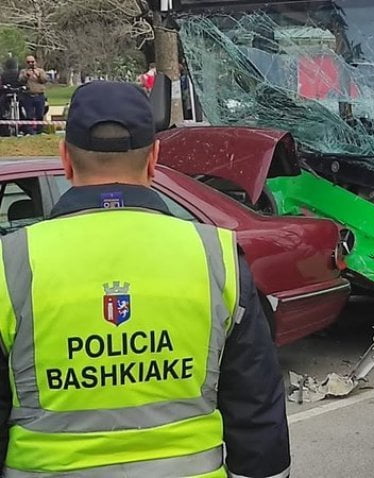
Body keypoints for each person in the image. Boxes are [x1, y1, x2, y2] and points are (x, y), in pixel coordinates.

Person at [0, 81, 291, 477]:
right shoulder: (216, 257)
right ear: (154, 158)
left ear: (65, 159)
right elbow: (256, 409)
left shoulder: (10, 263)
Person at [17, 55, 48, 135]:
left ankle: (39, 131)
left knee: (40, 114)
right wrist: (27, 75)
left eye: (32, 62)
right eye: (28, 62)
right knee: (29, 115)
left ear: (35, 62)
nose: (31, 63)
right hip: (28, 96)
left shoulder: (40, 71)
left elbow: (45, 80)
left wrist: (39, 75)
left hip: (39, 95)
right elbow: (20, 80)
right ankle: (29, 131)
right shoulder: (23, 71)